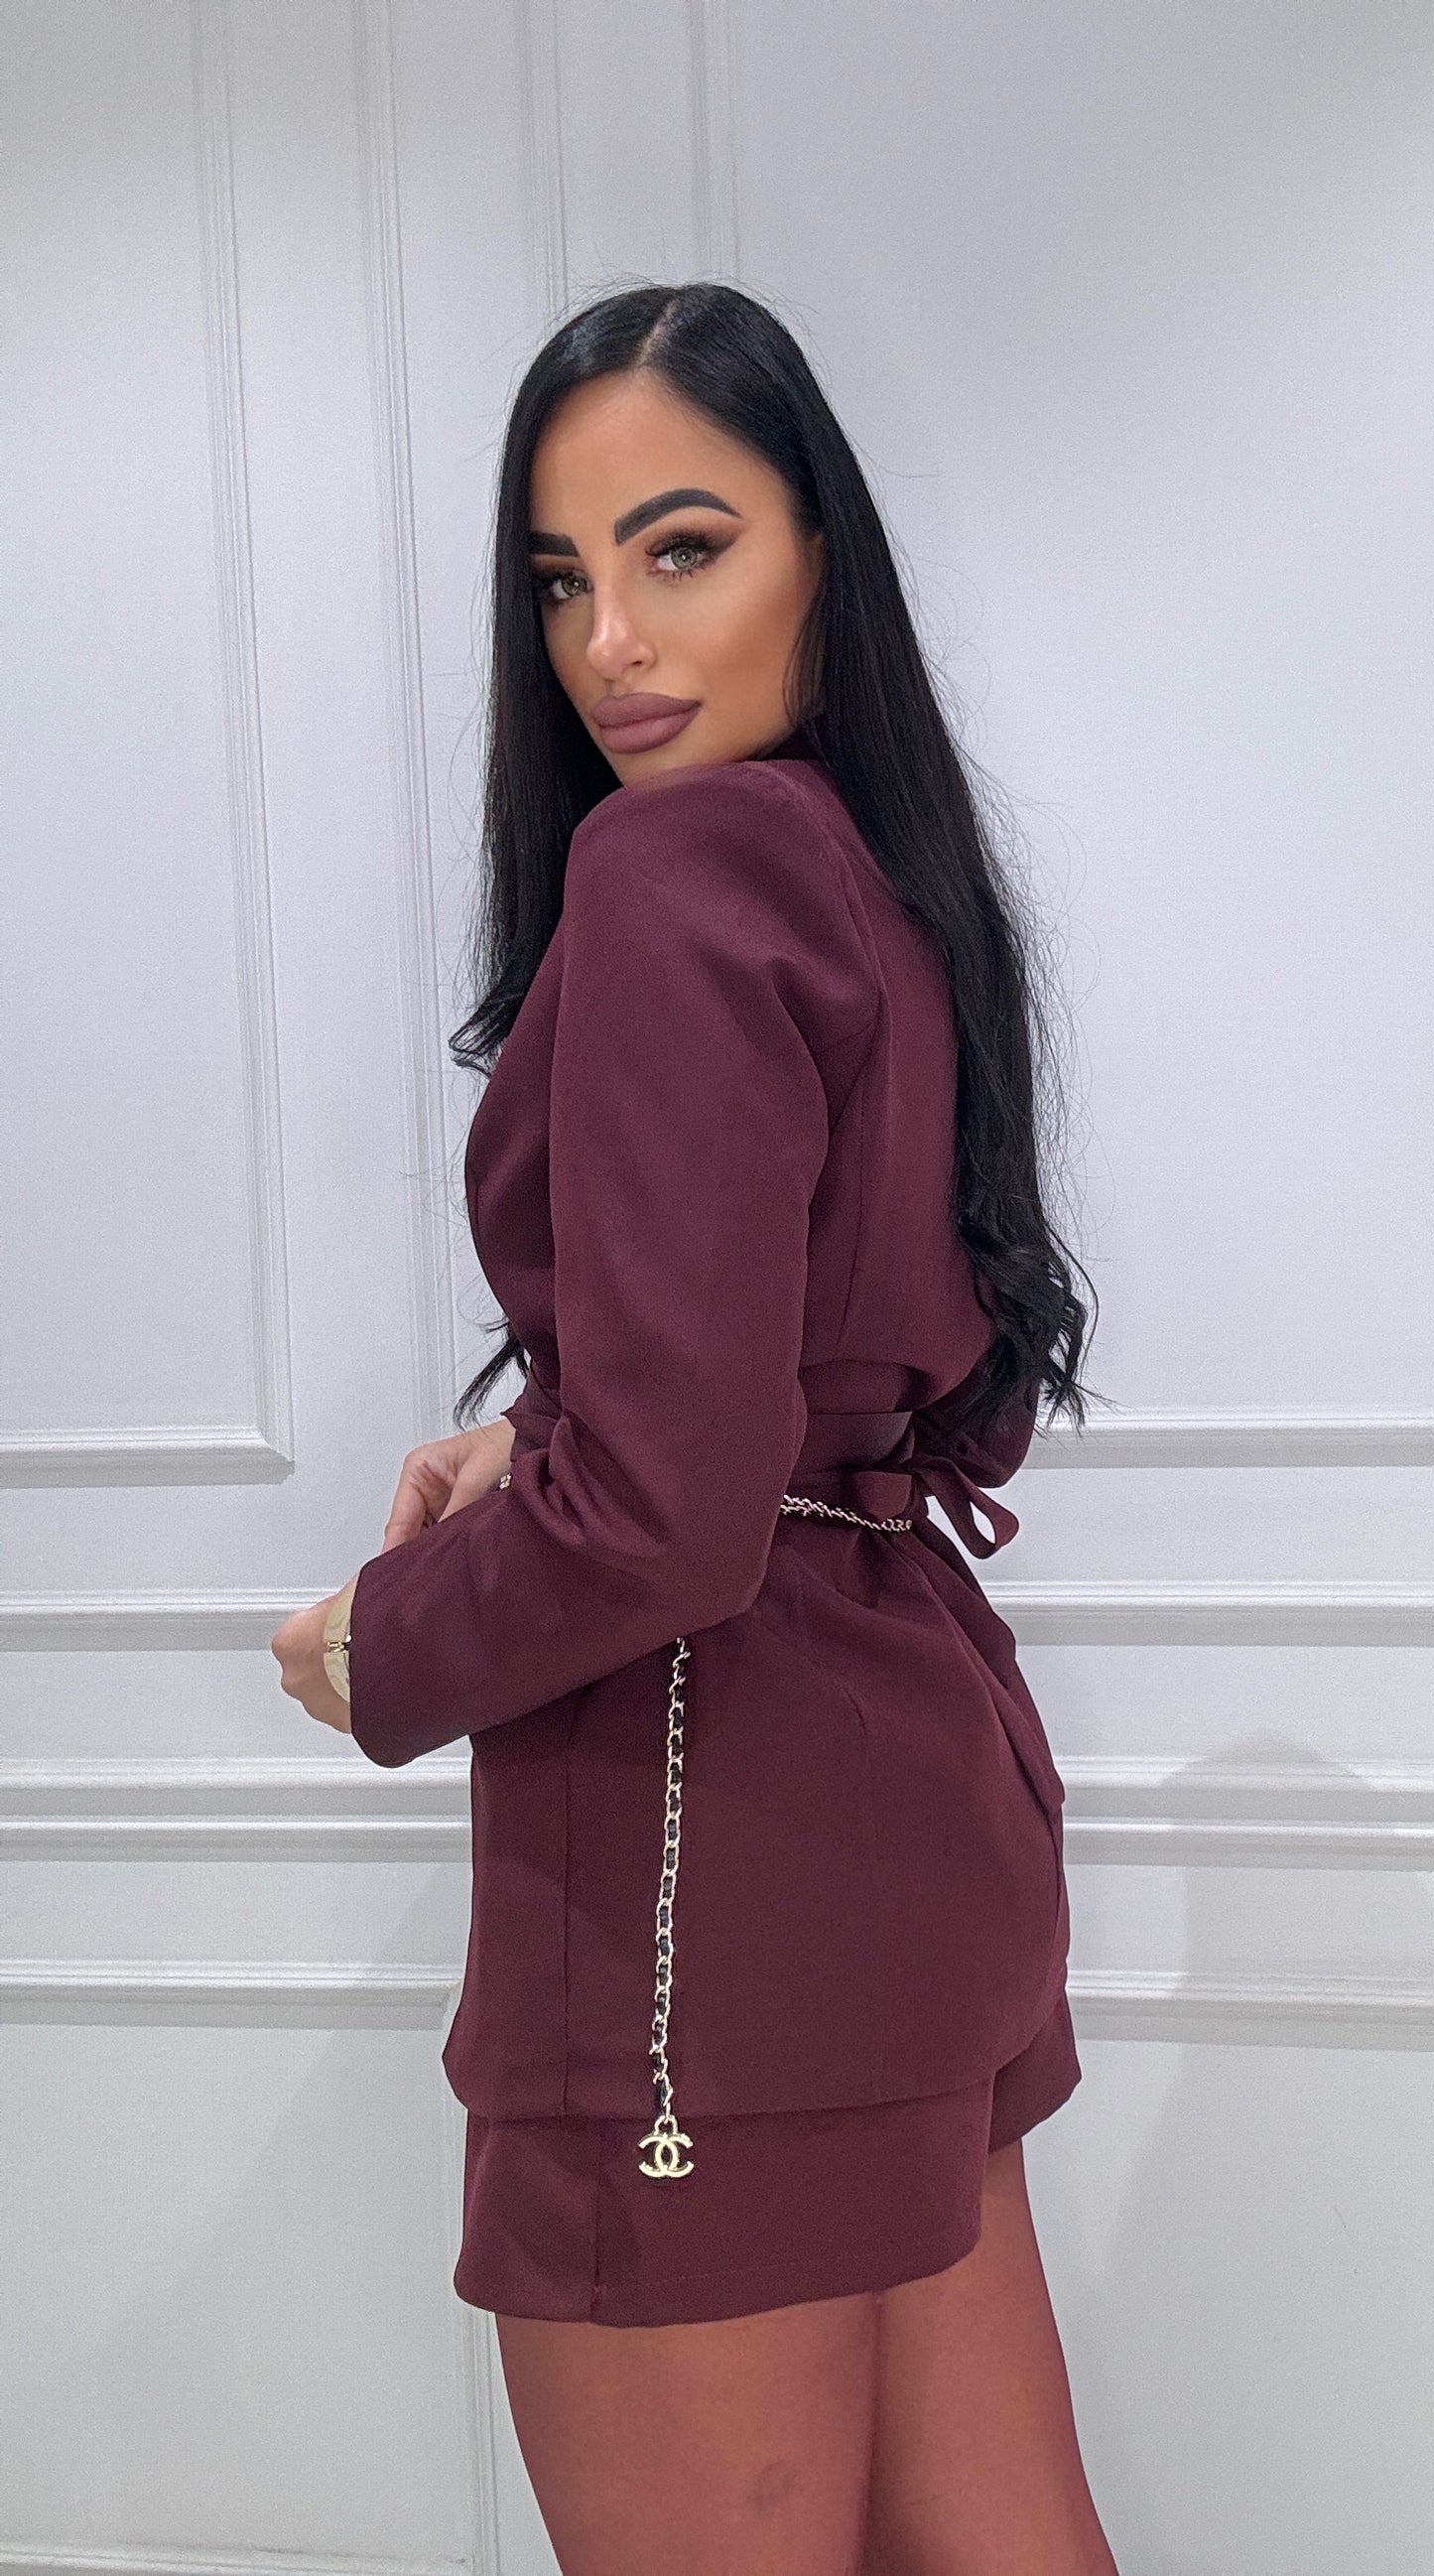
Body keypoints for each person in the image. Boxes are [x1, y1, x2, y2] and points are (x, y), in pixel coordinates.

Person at [270, 281, 1116, 2574]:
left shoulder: (667, 874)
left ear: (820, 552)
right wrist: (547, 1430)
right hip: (912, 1816)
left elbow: (663, 1516)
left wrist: (377, 1643)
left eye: (682, 548)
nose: (613, 643)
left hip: (696, 1867)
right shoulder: (884, 881)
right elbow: (893, 1401)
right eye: (561, 579)